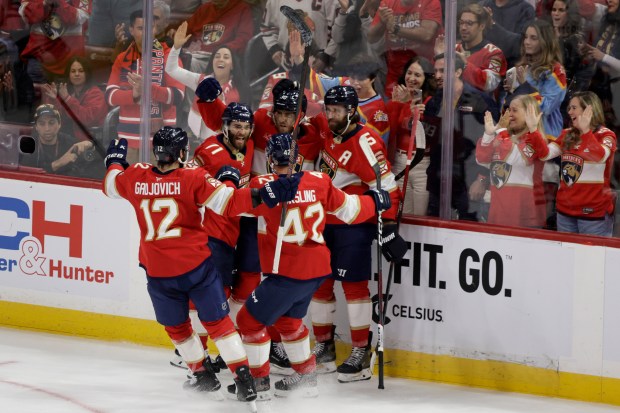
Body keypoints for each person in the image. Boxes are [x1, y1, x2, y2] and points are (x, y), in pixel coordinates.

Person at [101, 125, 300, 402]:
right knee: (219, 323)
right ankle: (244, 380)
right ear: (182, 153)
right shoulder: (192, 177)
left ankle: (202, 375)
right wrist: (267, 193)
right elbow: (230, 203)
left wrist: (114, 162)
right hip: (197, 267)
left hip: (158, 271)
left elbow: (111, 186)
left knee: (178, 328)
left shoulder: (135, 177)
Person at [229, 132, 393, 398]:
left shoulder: (262, 182)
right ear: (298, 160)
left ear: (270, 160)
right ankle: (306, 379)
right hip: (316, 271)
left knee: (247, 322)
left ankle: (258, 384)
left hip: (285, 273)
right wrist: (374, 201)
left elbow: (232, 206)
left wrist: (255, 192)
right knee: (289, 322)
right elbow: (350, 210)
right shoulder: (319, 181)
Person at [312, 85, 405, 382]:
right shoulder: (326, 130)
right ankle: (324, 348)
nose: (331, 115)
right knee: (320, 285)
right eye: (328, 109)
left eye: (336, 110)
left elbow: (388, 186)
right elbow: (306, 122)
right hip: (322, 222)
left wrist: (388, 226)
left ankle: (360, 352)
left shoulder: (366, 141)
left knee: (354, 288)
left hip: (353, 224)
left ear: (352, 111)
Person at [170, 102, 255, 373]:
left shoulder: (249, 147)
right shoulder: (209, 151)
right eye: (236, 126)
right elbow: (186, 180)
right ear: (225, 126)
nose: (241, 132)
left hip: (236, 233)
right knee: (207, 295)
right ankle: (197, 352)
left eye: (245, 127)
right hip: (212, 234)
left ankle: (211, 350)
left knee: (230, 293)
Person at [425, 53, 499, 220]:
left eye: (443, 71)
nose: (437, 76)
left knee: (469, 227)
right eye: (436, 71)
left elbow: (496, 141)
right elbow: (430, 140)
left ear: (458, 72)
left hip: (470, 178)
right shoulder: (433, 102)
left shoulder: (479, 100)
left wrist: (482, 179)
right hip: (439, 178)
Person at [105, 10, 185, 164]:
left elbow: (178, 96)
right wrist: (134, 94)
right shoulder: (122, 59)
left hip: (163, 143)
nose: (147, 33)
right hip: (128, 142)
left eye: (151, 28)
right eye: (141, 29)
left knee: (160, 188)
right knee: (129, 187)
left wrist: (149, 90)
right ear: (131, 30)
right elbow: (109, 96)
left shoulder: (169, 57)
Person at [541, 91, 617, 236]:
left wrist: (586, 131)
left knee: (592, 258)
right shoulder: (567, 134)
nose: (569, 112)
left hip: (593, 215)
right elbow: (545, 154)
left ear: (589, 110)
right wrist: (533, 130)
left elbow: (600, 157)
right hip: (564, 212)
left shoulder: (606, 135)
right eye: (569, 108)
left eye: (574, 107)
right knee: (567, 258)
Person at [165, 21, 248, 140]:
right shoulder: (201, 81)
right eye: (217, 56)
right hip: (201, 142)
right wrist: (176, 48)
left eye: (226, 57)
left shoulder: (239, 90)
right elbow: (172, 69)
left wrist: (220, 104)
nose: (220, 60)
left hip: (227, 144)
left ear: (232, 65)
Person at [476, 95, 549, 228]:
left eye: (514, 110)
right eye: (508, 110)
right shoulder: (504, 137)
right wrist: (488, 135)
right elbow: (481, 159)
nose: (509, 114)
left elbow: (517, 157)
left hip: (524, 213)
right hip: (498, 210)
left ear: (529, 113)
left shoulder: (536, 139)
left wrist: (501, 131)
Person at [387, 56, 435, 216]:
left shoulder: (430, 102)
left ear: (425, 79)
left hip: (422, 164)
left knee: (420, 216)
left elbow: (420, 131)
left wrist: (409, 108)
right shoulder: (398, 99)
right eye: (409, 73)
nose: (412, 78)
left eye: (417, 75)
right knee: (403, 215)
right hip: (399, 162)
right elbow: (391, 130)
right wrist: (398, 104)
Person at [504, 20, 567, 138]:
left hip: (545, 136)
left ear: (545, 42)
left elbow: (547, 107)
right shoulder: (522, 66)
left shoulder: (556, 71)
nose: (527, 42)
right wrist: (512, 91)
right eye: (526, 37)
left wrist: (523, 87)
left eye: (533, 38)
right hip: (518, 135)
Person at [366, 0, 442, 96]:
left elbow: (427, 34)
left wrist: (395, 29)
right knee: (394, 106)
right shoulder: (388, 2)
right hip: (395, 71)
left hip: (422, 71)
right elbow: (371, 38)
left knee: (418, 106)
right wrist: (382, 22)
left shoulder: (431, 2)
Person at [434, 4, 507, 97]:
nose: (463, 28)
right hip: (452, 104)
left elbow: (489, 84)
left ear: (482, 26)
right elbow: (439, 83)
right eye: (461, 23)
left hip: (481, 107)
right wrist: (440, 56)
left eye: (469, 23)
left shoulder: (495, 54)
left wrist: (465, 64)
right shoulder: (453, 49)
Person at [19, 0, 91, 82]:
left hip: (70, 62)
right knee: (33, 93)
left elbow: (77, 18)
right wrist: (45, 3)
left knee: (68, 94)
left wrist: (59, 2)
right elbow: (26, 16)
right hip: (39, 60)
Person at [41, 56, 108, 143]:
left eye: (81, 71)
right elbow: (56, 118)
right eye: (73, 71)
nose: (77, 74)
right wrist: (55, 99)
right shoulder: (68, 91)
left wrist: (67, 99)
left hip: (87, 140)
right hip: (67, 135)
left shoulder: (96, 94)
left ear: (87, 73)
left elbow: (86, 119)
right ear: (69, 74)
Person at [19, 103, 95, 177]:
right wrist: (58, 163)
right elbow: (26, 175)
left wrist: (89, 144)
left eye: (51, 123)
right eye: (42, 124)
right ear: (36, 127)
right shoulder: (28, 144)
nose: (47, 129)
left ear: (59, 124)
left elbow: (97, 156)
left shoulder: (68, 141)